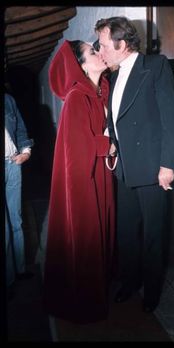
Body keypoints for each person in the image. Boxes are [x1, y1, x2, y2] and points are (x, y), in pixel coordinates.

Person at [95, 16, 174, 313]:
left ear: (122, 44)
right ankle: (130, 282)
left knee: (153, 235)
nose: (100, 50)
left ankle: (153, 292)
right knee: (127, 232)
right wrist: (112, 141)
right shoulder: (114, 75)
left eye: (104, 45)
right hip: (125, 168)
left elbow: (170, 119)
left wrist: (167, 164)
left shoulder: (155, 67)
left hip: (153, 169)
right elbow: (115, 118)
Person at [43, 40, 116, 324]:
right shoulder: (77, 97)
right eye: (93, 52)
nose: (100, 53)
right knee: (85, 238)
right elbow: (77, 149)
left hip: (100, 175)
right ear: (81, 65)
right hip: (84, 181)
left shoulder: (101, 91)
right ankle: (83, 302)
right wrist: (107, 145)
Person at [5, 92, 34, 290]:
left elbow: (21, 129)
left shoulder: (8, 99)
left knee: (16, 220)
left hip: (12, 163)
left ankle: (20, 269)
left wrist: (26, 152)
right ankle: (8, 279)